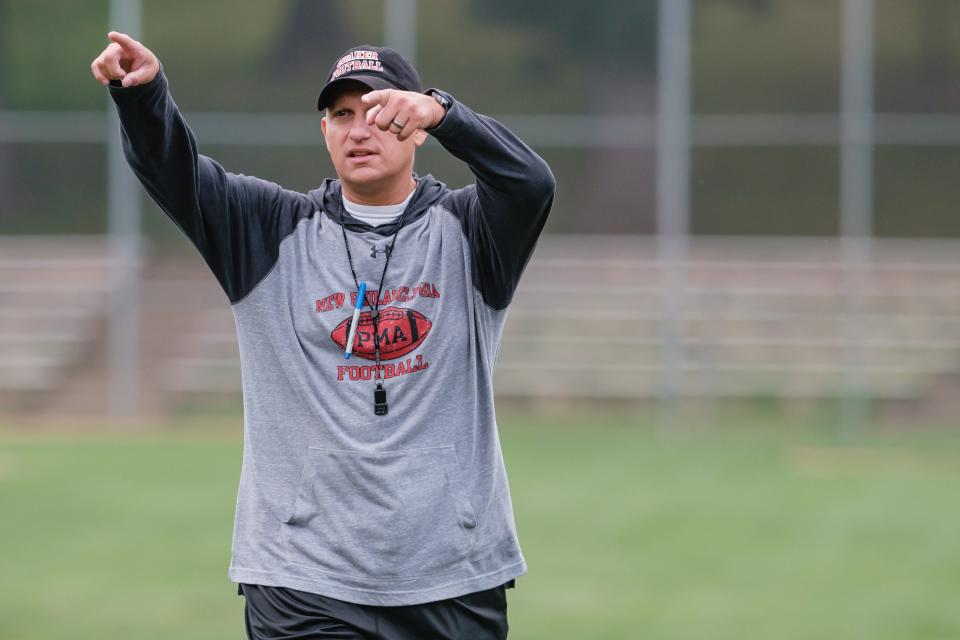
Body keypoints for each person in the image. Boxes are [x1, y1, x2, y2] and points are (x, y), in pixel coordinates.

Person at [91, 29, 554, 640]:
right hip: (303, 582)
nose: (358, 128)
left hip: (453, 576)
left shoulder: (470, 232)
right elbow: (172, 173)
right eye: (340, 114)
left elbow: (531, 184)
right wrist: (143, 97)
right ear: (324, 131)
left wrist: (447, 112)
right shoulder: (266, 228)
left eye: (378, 110)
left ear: (414, 125)